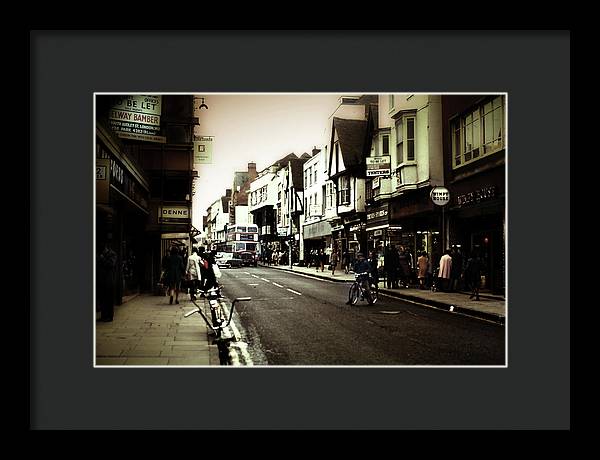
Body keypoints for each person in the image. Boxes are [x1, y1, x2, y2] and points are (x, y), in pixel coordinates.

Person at [97, 236, 118, 322]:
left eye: (104, 247)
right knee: (102, 299)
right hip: (101, 280)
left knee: (109, 300)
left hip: (109, 281)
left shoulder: (112, 254)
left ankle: (109, 317)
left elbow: (111, 264)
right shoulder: (100, 254)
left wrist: (102, 258)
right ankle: (103, 315)